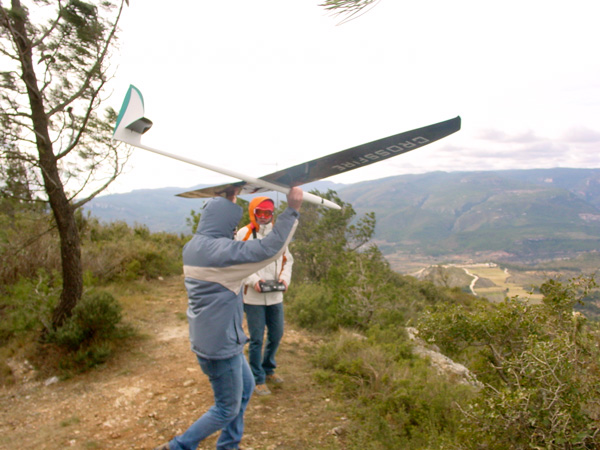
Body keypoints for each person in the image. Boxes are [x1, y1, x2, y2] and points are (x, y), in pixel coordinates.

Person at [154, 187, 303, 450]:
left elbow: (221, 230)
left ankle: (228, 445)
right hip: (221, 345)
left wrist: (229, 198)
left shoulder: (194, 247)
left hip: (212, 338)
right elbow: (271, 249)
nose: (234, 230)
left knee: (245, 389)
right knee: (226, 408)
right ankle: (178, 447)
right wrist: (292, 209)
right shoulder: (223, 255)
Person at [235, 197, 294, 396]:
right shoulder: (244, 234)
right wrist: (254, 281)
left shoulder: (278, 234)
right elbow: (238, 263)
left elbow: (287, 260)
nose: (263, 216)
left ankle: (268, 368)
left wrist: (284, 280)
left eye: (267, 213)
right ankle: (257, 377)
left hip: (275, 296)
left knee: (276, 334)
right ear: (253, 212)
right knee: (257, 338)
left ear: (272, 214)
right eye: (259, 212)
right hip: (253, 297)